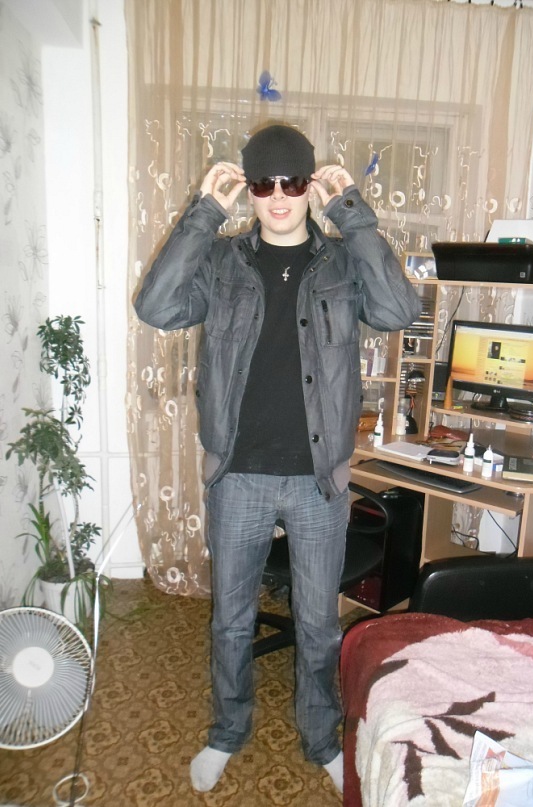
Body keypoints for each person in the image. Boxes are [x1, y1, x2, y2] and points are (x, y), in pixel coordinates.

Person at [134, 124, 421, 793]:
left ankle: (320, 736)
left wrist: (353, 215)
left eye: (293, 181)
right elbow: (156, 307)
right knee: (231, 620)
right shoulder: (221, 263)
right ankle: (227, 730)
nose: (280, 196)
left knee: (318, 624)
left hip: (319, 479)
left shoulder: (341, 264)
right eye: (264, 183)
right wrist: (203, 213)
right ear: (248, 189)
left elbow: (399, 310)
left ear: (311, 185)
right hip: (238, 474)